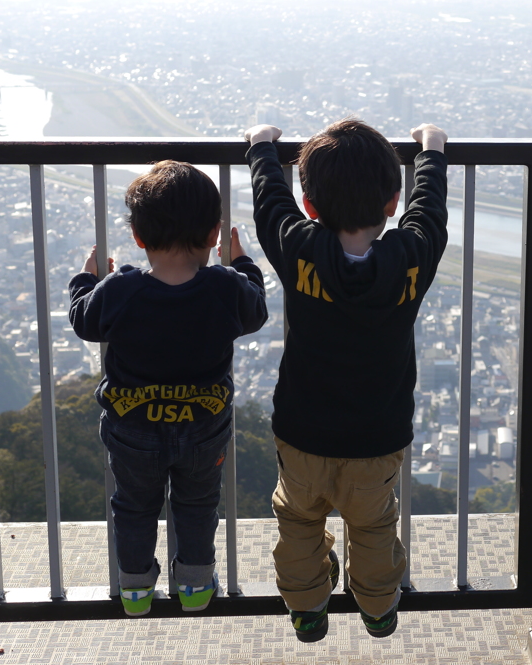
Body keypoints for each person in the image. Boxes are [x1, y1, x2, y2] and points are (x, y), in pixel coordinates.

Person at [243, 118, 448, 641]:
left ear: (310, 205)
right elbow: (429, 212)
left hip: (303, 429)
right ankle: (378, 607)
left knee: (298, 521)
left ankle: (308, 608)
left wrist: (263, 148)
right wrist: (432, 151)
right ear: (390, 203)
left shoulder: (300, 248)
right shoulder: (411, 256)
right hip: (377, 438)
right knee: (375, 526)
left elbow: (271, 205)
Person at [68, 160, 268, 617]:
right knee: (197, 505)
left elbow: (84, 320)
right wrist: (239, 263)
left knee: (133, 506)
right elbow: (255, 310)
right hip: (203, 428)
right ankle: (195, 586)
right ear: (213, 233)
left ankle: (135, 588)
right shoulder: (223, 288)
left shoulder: (119, 291)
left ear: (138, 236)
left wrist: (87, 278)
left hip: (132, 430)